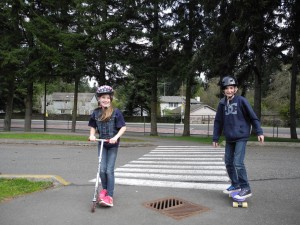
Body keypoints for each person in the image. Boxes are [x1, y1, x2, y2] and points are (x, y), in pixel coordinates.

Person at [212, 76, 264, 200]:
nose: (229, 90)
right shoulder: (222, 103)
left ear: (235, 89)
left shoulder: (241, 101)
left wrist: (259, 131)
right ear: (223, 91)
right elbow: (218, 122)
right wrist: (215, 138)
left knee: (238, 163)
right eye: (226, 88)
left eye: (231, 88)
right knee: (228, 163)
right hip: (229, 138)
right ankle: (235, 184)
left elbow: (253, 117)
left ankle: (246, 187)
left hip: (241, 136)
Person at [88, 85, 126, 207]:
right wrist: (92, 135)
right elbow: (93, 127)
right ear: (99, 99)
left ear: (110, 99)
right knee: (101, 170)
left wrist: (115, 137)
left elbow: (123, 127)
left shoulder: (116, 112)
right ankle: (104, 191)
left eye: (107, 97)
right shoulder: (96, 113)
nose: (105, 100)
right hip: (102, 144)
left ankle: (110, 195)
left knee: (109, 170)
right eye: (103, 97)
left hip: (113, 145)